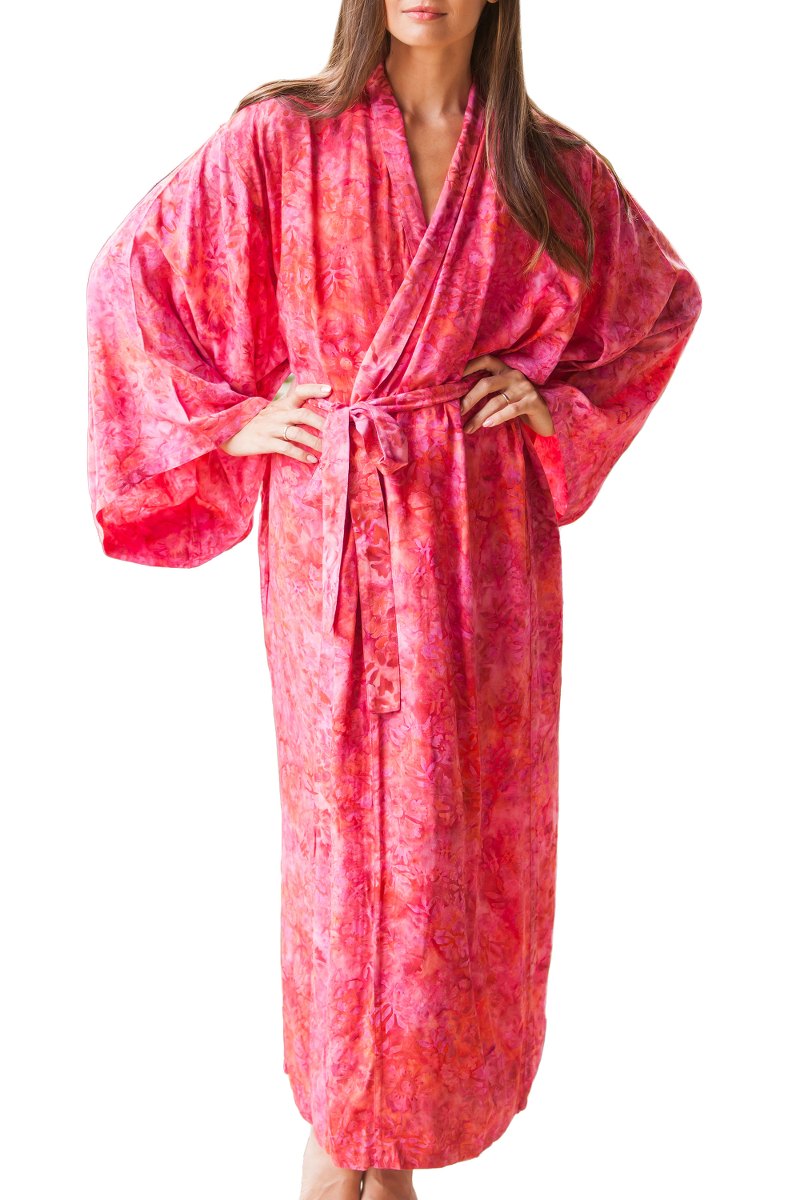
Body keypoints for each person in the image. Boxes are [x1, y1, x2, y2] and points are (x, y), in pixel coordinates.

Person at [85, 2, 702, 1197]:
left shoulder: (547, 171)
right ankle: (345, 1149)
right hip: (335, 550)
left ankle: (395, 1154)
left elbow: (660, 306)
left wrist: (557, 407)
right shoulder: (279, 142)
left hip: (485, 563)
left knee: (459, 849)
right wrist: (232, 420)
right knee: (351, 855)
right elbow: (127, 280)